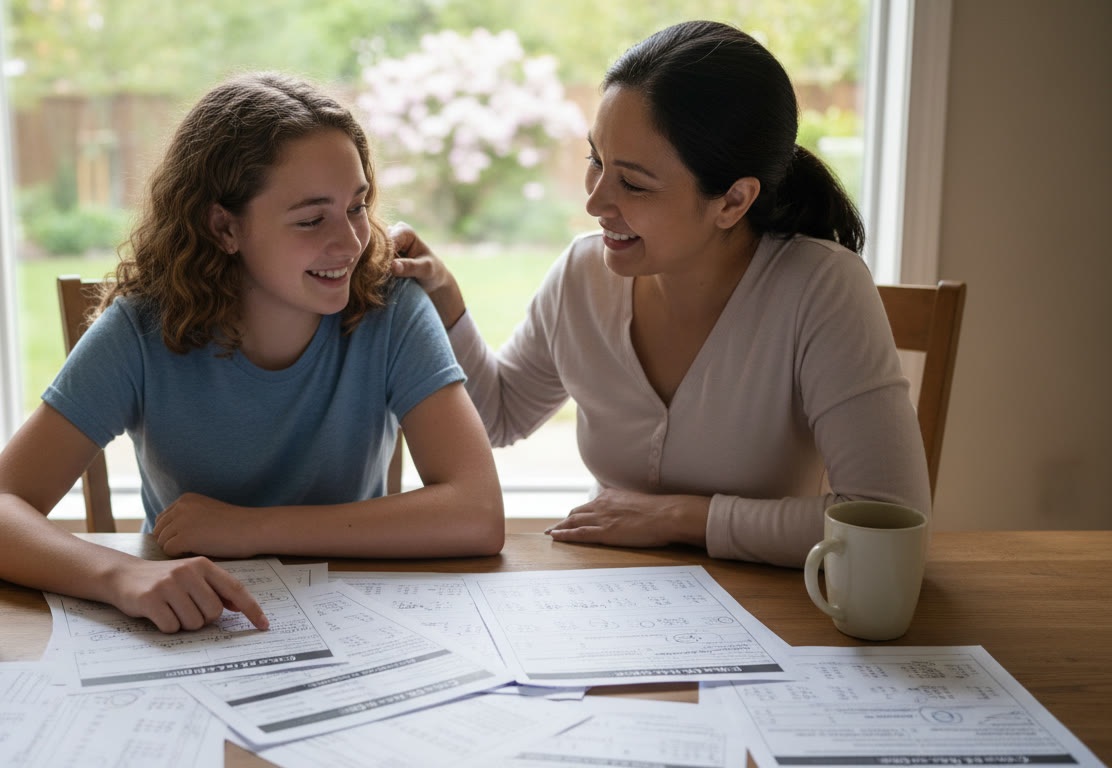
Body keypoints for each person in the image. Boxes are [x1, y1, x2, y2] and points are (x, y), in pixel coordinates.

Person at [0, 73, 503, 634]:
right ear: (225, 227)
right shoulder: (141, 331)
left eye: (356, 206)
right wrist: (121, 576)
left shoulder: (392, 309)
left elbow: (477, 512)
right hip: (191, 628)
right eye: (311, 218)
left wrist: (252, 528)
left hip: (352, 627)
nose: (351, 243)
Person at [391, 21, 930, 568]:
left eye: (634, 183)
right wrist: (445, 298)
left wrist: (680, 518)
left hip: (772, 608)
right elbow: (499, 415)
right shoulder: (582, 275)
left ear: (733, 201)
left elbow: (886, 514)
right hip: (612, 597)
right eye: (596, 160)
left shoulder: (820, 287)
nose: (596, 202)